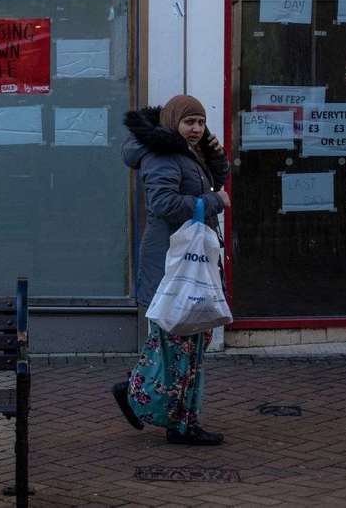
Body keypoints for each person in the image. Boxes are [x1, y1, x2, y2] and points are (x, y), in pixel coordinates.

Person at [111, 95, 230, 445]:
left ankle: (142, 394)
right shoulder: (162, 156)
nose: (196, 129)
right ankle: (176, 422)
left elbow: (210, 179)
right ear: (173, 122)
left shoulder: (186, 153)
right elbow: (163, 204)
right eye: (189, 122)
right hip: (172, 264)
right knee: (178, 346)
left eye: (201, 123)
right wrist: (212, 202)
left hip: (189, 262)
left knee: (192, 342)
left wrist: (213, 152)